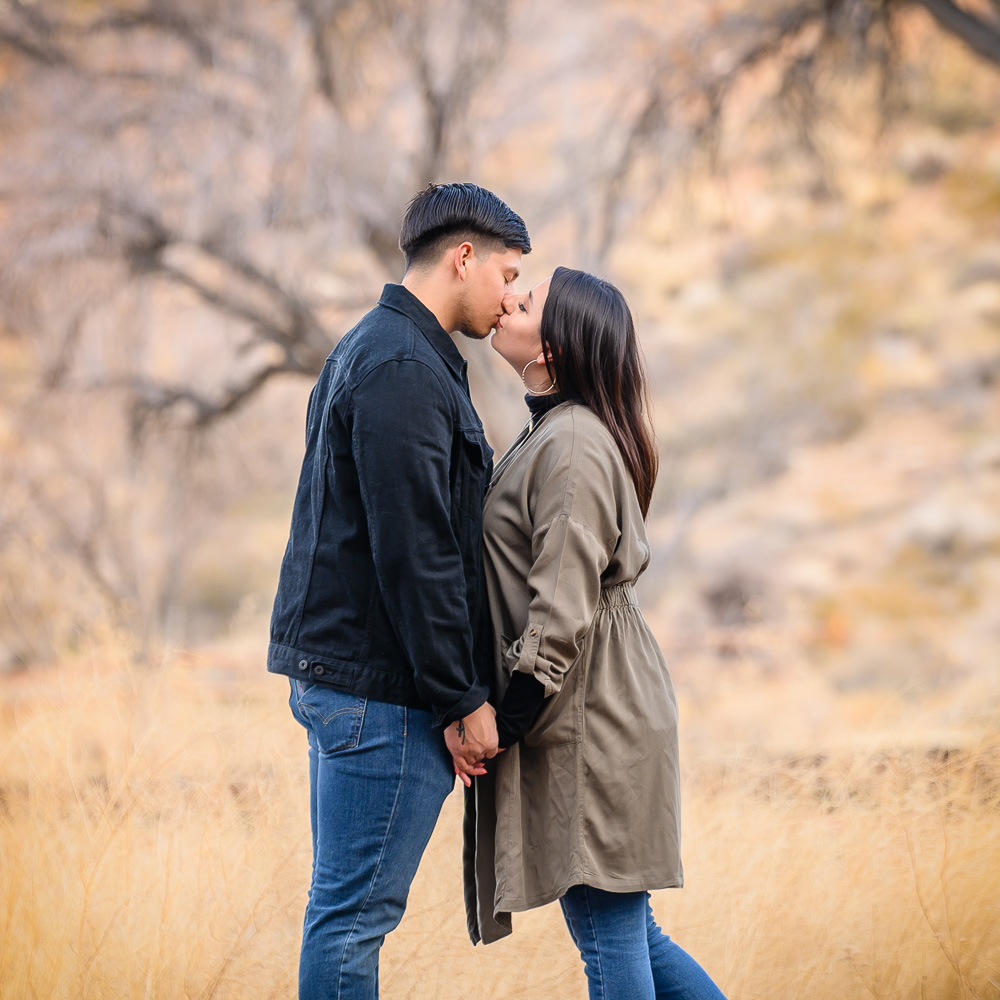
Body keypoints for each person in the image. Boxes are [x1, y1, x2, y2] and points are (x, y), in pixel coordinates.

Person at [267, 182, 530, 1000]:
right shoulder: (402, 367)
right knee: (352, 919)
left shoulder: (380, 350)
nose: (513, 296)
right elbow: (416, 551)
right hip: (378, 694)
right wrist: (461, 699)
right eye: (507, 274)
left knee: (342, 910)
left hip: (359, 683)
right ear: (463, 258)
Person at [457, 267, 728, 1000]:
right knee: (627, 931)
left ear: (555, 348)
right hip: (591, 708)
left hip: (593, 717)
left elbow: (561, 608)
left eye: (529, 299)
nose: (510, 297)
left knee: (610, 941)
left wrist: (501, 723)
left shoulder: (573, 440)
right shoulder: (558, 430)